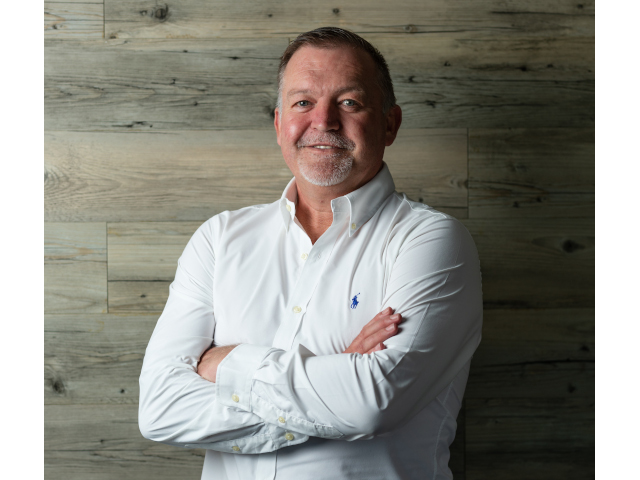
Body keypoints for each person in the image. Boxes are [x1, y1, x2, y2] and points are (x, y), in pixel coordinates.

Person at [139, 27, 482, 480]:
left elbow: (372, 404)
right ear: (279, 124)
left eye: (349, 102)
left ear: (390, 124)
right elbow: (160, 409)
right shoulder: (220, 239)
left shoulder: (431, 241)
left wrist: (228, 364)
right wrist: (335, 380)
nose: (324, 121)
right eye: (303, 102)